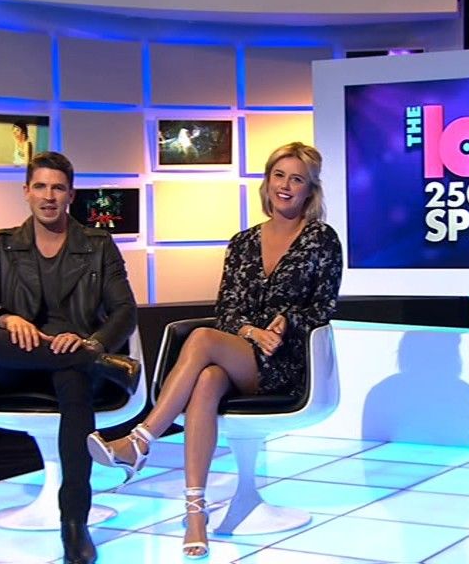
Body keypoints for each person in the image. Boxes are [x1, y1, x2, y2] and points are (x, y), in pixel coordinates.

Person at [86, 142, 343, 559]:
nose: (285, 185)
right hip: (240, 353)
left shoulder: (321, 239)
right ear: (267, 182)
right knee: (207, 380)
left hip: (288, 360)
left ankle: (140, 440)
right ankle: (195, 513)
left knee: (203, 339)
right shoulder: (242, 242)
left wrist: (286, 321)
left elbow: (324, 305)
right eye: (279, 175)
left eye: (296, 179)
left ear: (309, 189)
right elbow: (226, 310)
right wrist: (250, 331)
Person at [0, 152, 138, 564]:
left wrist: (91, 344)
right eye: (40, 186)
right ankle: (93, 363)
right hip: (18, 361)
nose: (48, 196)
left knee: (72, 375)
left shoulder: (98, 245)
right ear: (26, 192)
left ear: (70, 194)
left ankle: (74, 524)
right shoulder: (4, 244)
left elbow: (125, 311)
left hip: (73, 355)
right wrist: (7, 318)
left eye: (57, 188)